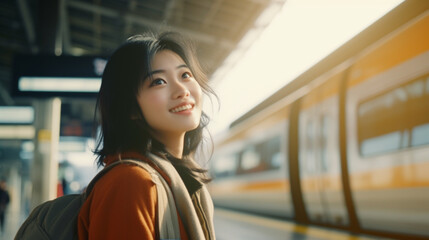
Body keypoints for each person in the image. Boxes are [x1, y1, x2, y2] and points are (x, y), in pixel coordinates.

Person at [77, 32, 216, 240]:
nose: (182, 90)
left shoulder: (179, 179)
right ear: (130, 108)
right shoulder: (130, 183)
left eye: (185, 75)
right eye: (158, 81)